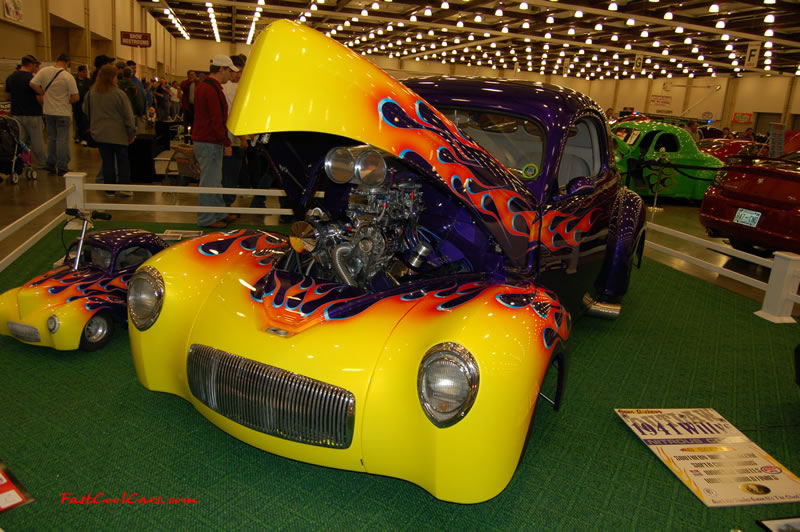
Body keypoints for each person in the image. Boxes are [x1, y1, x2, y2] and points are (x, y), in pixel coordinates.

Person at [192, 55, 237, 228]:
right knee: (210, 181)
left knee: (214, 179)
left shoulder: (207, 86)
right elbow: (216, 119)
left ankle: (218, 212)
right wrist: (225, 142)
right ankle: (206, 218)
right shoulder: (211, 89)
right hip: (210, 140)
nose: (230, 75)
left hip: (208, 139)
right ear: (221, 69)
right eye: (229, 71)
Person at [83, 64, 135, 197]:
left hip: (100, 134)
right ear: (112, 78)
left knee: (107, 162)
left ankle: (109, 189)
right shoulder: (118, 94)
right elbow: (128, 116)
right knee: (123, 161)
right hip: (118, 134)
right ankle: (124, 187)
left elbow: (85, 109)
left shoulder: (91, 93)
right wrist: (131, 132)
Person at [30, 53, 79, 176]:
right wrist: (67, 101)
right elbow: (76, 97)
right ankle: (62, 166)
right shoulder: (68, 77)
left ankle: (51, 164)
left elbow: (32, 83)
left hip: (48, 111)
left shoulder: (44, 71)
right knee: (62, 139)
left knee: (51, 138)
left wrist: (42, 92)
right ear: (67, 62)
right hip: (62, 112)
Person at [5, 54, 47, 171]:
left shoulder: (11, 77)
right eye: (36, 65)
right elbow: (39, 98)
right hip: (33, 114)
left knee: (21, 141)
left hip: (16, 114)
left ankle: (22, 162)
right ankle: (41, 164)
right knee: (37, 140)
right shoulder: (33, 79)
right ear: (32, 64)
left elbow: (7, 96)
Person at [222, 55, 247, 208]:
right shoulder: (228, 88)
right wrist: (243, 138)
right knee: (229, 174)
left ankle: (226, 204)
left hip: (231, 138)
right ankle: (226, 204)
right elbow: (234, 115)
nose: (240, 75)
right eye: (239, 72)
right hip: (230, 139)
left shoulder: (230, 87)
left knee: (230, 174)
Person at [73, 65, 91, 145]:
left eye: (86, 71)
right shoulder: (74, 81)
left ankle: (85, 138)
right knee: (77, 121)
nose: (86, 73)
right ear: (79, 72)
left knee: (85, 122)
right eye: (84, 72)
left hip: (85, 104)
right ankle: (78, 137)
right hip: (77, 104)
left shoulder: (89, 81)